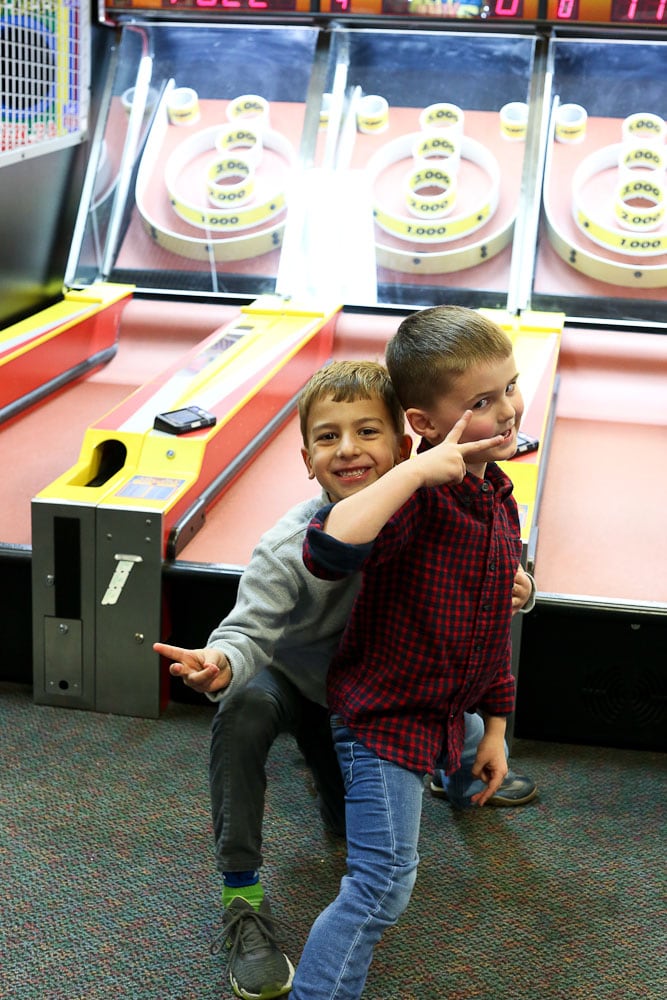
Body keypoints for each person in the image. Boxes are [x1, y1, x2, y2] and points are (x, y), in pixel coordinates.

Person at [290, 305, 536, 1000]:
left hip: (444, 712)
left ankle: (460, 769)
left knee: (386, 879)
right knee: (380, 888)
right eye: (481, 402)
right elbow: (329, 549)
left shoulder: (494, 492)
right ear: (425, 424)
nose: (508, 410)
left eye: (510, 387)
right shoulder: (416, 499)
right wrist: (413, 471)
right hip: (383, 725)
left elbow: (488, 630)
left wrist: (492, 728)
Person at [154, 360, 412, 1000]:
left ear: (406, 446)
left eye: (367, 432)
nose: (347, 449)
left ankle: (462, 763)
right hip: (297, 683)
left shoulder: (428, 520)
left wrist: (519, 589)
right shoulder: (287, 543)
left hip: (377, 702)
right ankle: (243, 901)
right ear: (306, 458)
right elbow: (248, 628)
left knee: (350, 827)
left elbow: (483, 579)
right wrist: (220, 661)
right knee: (241, 706)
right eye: (328, 437)